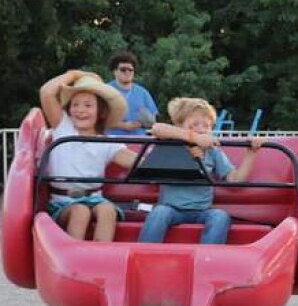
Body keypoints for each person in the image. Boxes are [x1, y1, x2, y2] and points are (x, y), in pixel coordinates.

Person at [39, 71, 215, 242]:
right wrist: (74, 74)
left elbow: (141, 164)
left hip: (94, 198)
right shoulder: (63, 127)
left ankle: (102, 256)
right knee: (80, 211)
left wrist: (185, 154)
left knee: (107, 210)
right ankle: (71, 260)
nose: (80, 110)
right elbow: (47, 92)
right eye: (75, 105)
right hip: (63, 201)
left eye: (88, 105)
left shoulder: (107, 143)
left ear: (101, 111)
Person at [138, 97, 265, 244]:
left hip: (202, 210)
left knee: (220, 216)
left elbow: (235, 179)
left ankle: (207, 258)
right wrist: (193, 138)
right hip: (171, 208)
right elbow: (157, 128)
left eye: (207, 125)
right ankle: (144, 253)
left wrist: (251, 153)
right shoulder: (171, 145)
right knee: (159, 213)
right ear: (179, 125)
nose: (201, 129)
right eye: (194, 124)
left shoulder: (213, 151)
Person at [106, 50, 159, 136]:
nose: (127, 72)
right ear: (114, 71)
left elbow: (153, 120)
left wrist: (142, 123)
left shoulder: (143, 92)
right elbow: (97, 119)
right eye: (123, 70)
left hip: (139, 141)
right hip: (112, 141)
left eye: (131, 70)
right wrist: (124, 126)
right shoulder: (105, 90)